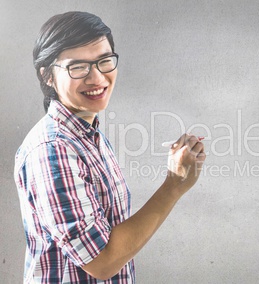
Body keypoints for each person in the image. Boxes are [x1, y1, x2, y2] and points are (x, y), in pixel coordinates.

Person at [14, 11, 206, 283]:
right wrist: (174, 184)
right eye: (78, 67)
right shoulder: (53, 149)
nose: (97, 78)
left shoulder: (88, 133)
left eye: (104, 61)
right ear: (47, 76)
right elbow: (102, 262)